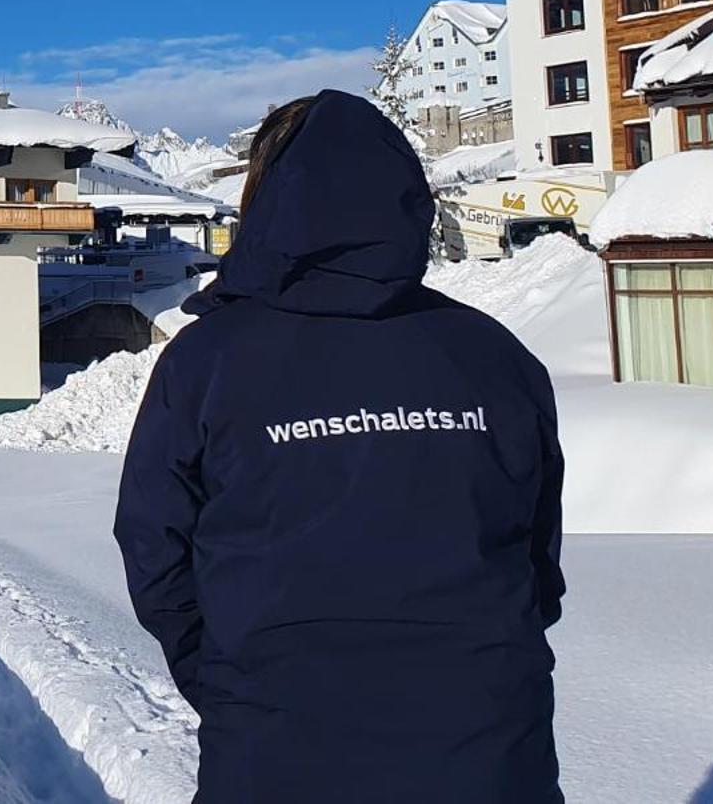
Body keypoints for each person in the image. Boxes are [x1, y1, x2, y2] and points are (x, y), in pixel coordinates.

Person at [113, 89, 565, 802]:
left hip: (277, 752)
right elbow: (536, 556)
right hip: (489, 751)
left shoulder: (209, 361)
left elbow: (154, 550)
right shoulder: (492, 356)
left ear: (268, 202)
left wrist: (231, 678)